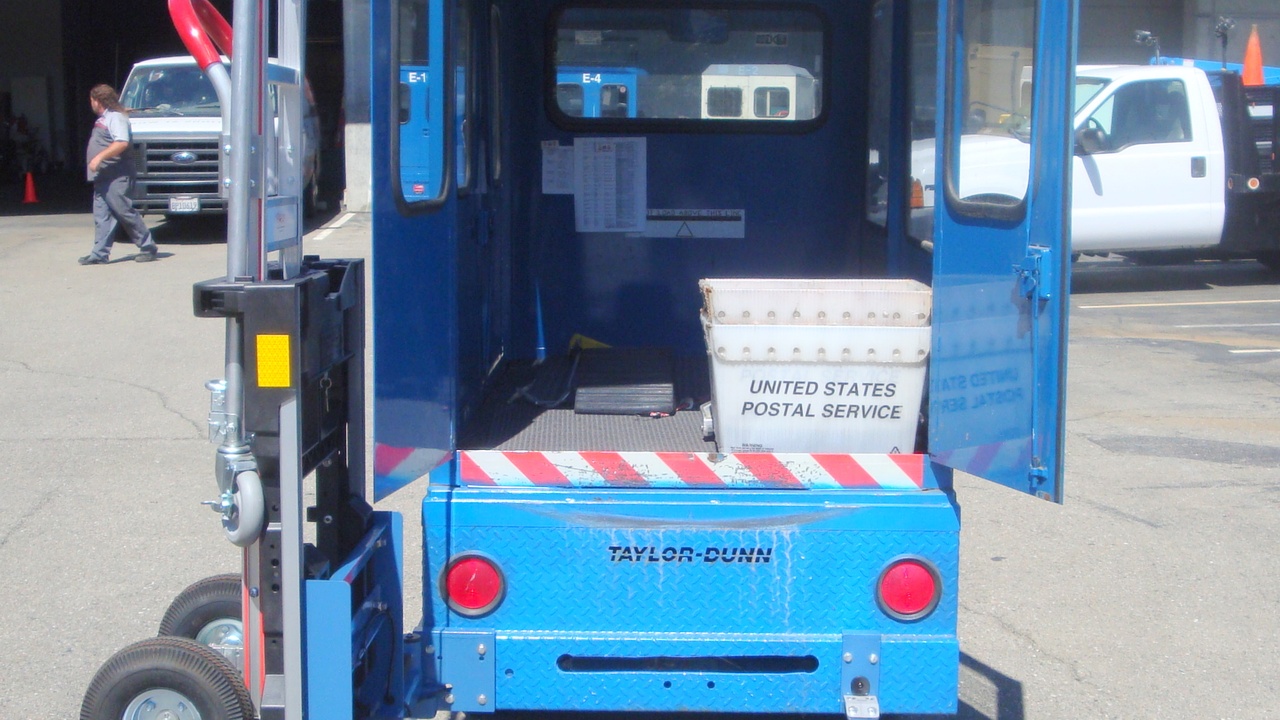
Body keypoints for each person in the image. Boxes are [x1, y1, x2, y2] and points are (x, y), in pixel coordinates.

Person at [80, 84, 157, 265]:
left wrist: (99, 157)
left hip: (117, 175)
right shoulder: (107, 117)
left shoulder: (116, 118)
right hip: (103, 176)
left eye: (91, 100)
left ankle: (148, 246)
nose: (90, 104)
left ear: (97, 101)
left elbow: (121, 142)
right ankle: (99, 254)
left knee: (124, 212)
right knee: (102, 216)